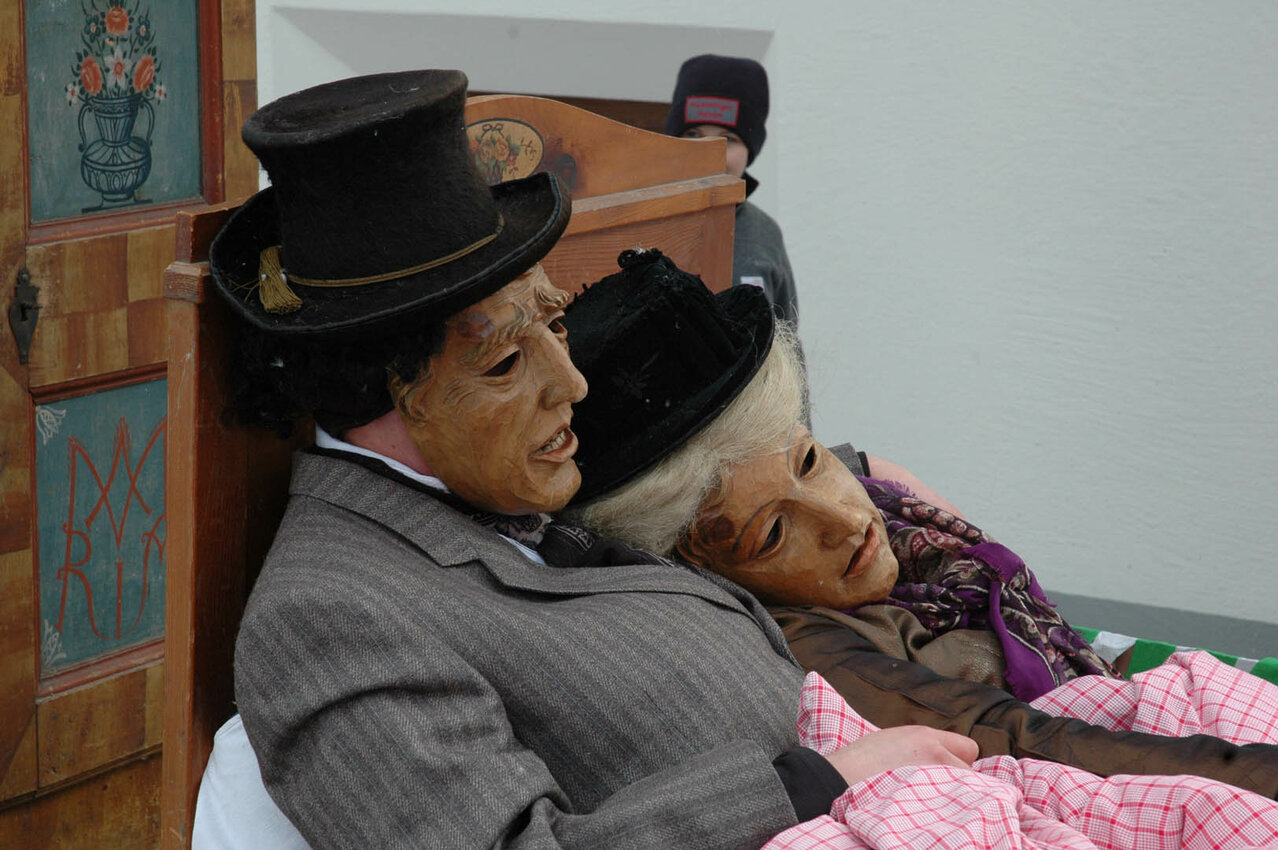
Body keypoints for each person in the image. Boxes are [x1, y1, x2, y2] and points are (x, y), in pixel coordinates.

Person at [199, 69, 976, 850]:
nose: (570, 384)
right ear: (385, 398)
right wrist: (811, 785)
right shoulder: (328, 615)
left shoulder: (497, 479)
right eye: (505, 363)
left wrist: (855, 468)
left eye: (555, 325)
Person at [563, 250, 1278, 797]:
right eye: (773, 534)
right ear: (699, 569)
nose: (845, 519)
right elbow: (1016, 736)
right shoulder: (809, 647)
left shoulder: (889, 501)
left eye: (809, 461)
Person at [665, 54, 799, 329]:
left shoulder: (765, 234)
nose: (710, 152)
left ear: (750, 151)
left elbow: (787, 339)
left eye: (728, 138)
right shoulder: (634, 222)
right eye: (694, 134)